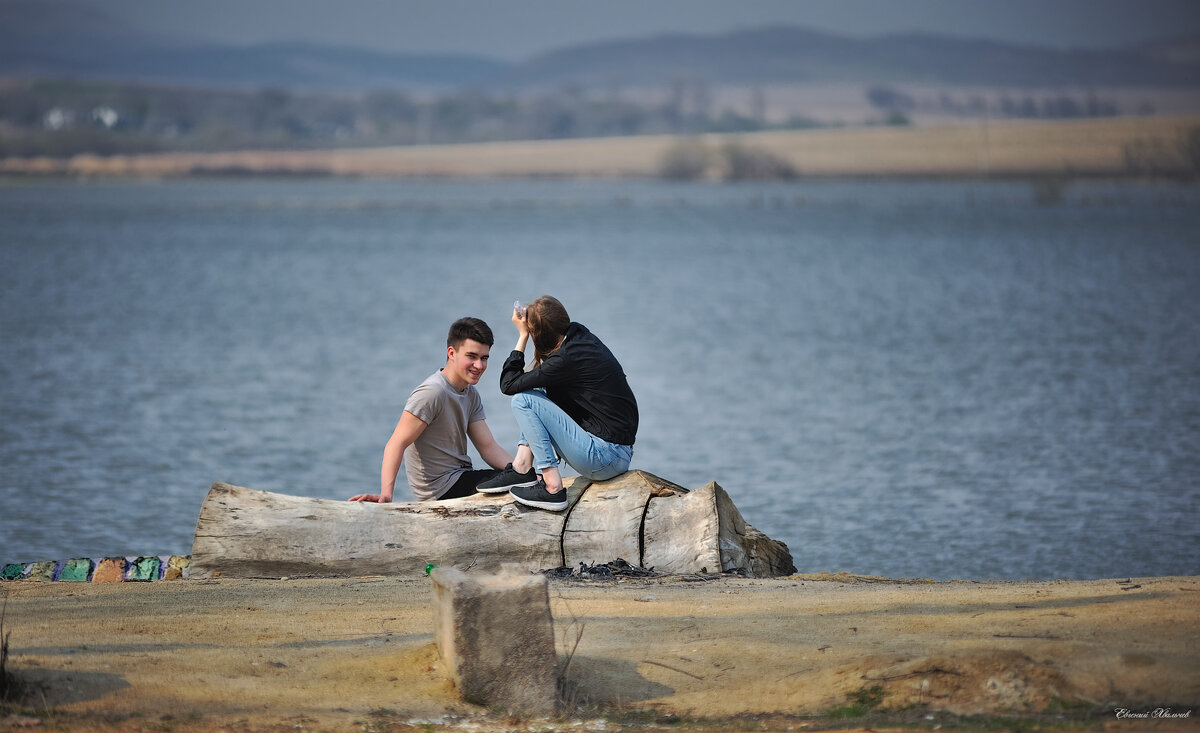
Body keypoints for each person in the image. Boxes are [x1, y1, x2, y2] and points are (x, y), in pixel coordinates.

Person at [475, 296, 638, 511]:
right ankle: (522, 468)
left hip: (604, 457)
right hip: (616, 452)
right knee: (537, 387)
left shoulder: (565, 360)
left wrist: (522, 336)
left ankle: (552, 488)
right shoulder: (578, 336)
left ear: (537, 335)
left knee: (523, 400)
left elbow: (508, 385)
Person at [348, 317, 513, 503]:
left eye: (484, 358)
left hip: (459, 478)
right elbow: (396, 443)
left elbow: (488, 446)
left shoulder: (470, 393)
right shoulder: (433, 392)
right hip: (438, 490)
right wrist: (386, 495)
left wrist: (523, 472)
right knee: (514, 486)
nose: (479, 366)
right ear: (452, 353)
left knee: (519, 480)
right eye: (472, 357)